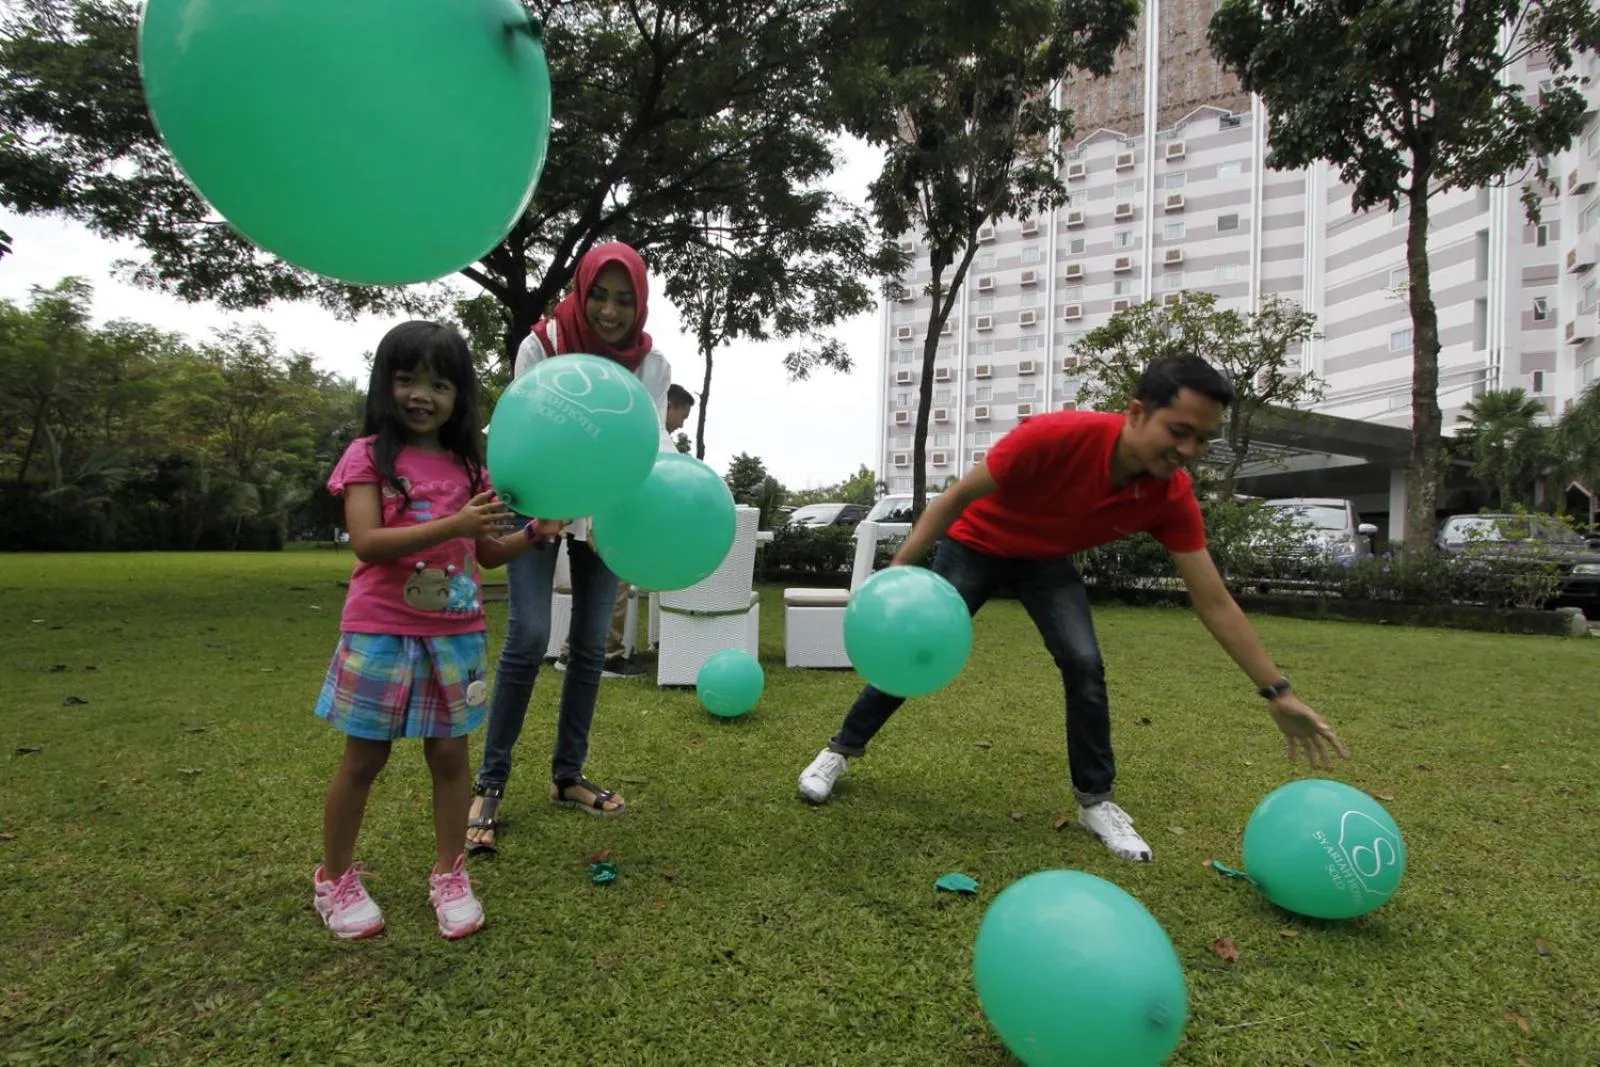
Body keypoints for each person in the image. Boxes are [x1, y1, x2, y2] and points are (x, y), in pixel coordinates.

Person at [795, 354, 1349, 863]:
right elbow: (954, 499)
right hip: (976, 544)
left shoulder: (1169, 496)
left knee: (1084, 664)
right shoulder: (1055, 437)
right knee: (916, 653)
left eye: (1202, 440)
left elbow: (1214, 602)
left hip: (1044, 561)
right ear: (1137, 413)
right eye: (1179, 431)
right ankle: (840, 750)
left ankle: (1095, 801)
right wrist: (900, 573)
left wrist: (1278, 692)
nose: (1188, 451)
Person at [312, 321, 561, 940]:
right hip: (382, 630)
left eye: (440, 383)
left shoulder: (472, 469)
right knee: (364, 757)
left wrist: (530, 535)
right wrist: (452, 524)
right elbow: (368, 543)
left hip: (456, 634)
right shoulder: (368, 455)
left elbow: (485, 556)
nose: (422, 394)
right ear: (385, 384)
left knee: (450, 756)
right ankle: (334, 878)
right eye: (407, 379)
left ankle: (452, 874)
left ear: (459, 397)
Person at [467, 243, 675, 853]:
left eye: (624, 300)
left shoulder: (651, 363)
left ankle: (567, 776)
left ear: (639, 304)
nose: (610, 312)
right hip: (539, 502)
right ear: (581, 293)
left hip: (609, 509)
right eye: (599, 296)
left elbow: (650, 447)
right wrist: (541, 509)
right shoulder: (542, 344)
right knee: (528, 634)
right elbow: (523, 430)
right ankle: (490, 785)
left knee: (589, 644)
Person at [558, 382, 696, 675]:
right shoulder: (646, 431)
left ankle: (572, 651)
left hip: (596, 517)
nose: (682, 424)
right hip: (610, 520)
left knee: (592, 592)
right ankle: (608, 654)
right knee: (612, 587)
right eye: (681, 416)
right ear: (667, 405)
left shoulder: (633, 428)